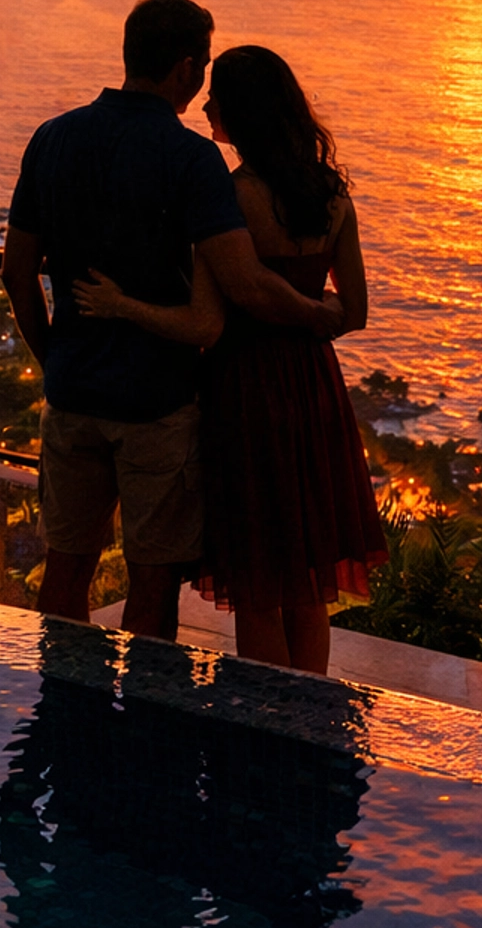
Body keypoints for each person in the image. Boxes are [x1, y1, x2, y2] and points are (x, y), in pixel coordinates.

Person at [1, 0, 339, 644]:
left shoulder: (52, 138)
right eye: (204, 66)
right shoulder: (191, 160)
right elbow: (228, 296)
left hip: (72, 394)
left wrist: (56, 357)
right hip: (156, 403)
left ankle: (65, 711)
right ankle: (142, 731)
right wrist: (323, 312)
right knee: (151, 590)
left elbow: (17, 274)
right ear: (185, 68)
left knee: (65, 569)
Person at [76, 44, 385, 675]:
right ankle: (310, 721)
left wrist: (120, 304)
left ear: (241, 111)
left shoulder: (231, 197)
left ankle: (267, 723)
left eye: (218, 94)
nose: (208, 103)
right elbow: (353, 314)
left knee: (259, 584)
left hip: (247, 387)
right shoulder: (334, 197)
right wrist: (314, 310)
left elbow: (208, 315)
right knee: (305, 579)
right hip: (314, 386)